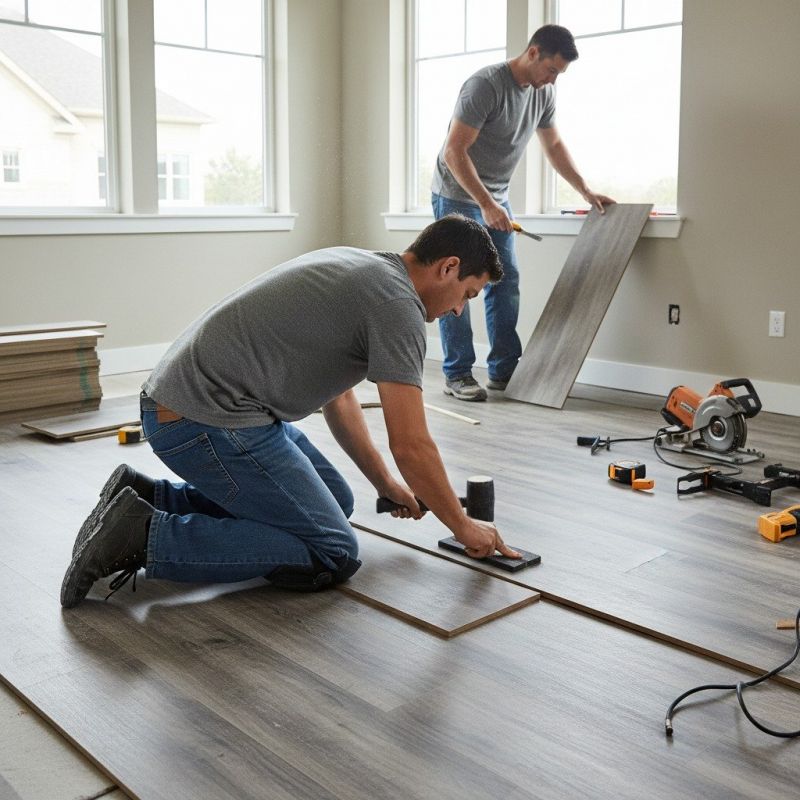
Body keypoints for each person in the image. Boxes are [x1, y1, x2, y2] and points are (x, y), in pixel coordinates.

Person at [61, 214, 521, 608]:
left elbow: (339, 399)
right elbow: (412, 445)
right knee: (333, 551)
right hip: (202, 420)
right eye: (469, 294)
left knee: (336, 504)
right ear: (449, 267)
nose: (460, 311)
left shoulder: (367, 267)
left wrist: (385, 485)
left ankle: (151, 498)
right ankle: (141, 536)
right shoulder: (397, 307)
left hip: (195, 406)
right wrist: (462, 527)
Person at [432, 24, 615, 402]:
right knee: (456, 284)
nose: (552, 79)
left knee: (505, 279)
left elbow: (555, 144)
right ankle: (458, 374)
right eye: (551, 70)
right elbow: (454, 152)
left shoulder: (543, 92)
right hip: (457, 193)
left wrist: (584, 189)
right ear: (533, 53)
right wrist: (485, 203)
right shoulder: (484, 86)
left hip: (494, 196)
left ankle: (503, 370)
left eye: (558, 75)